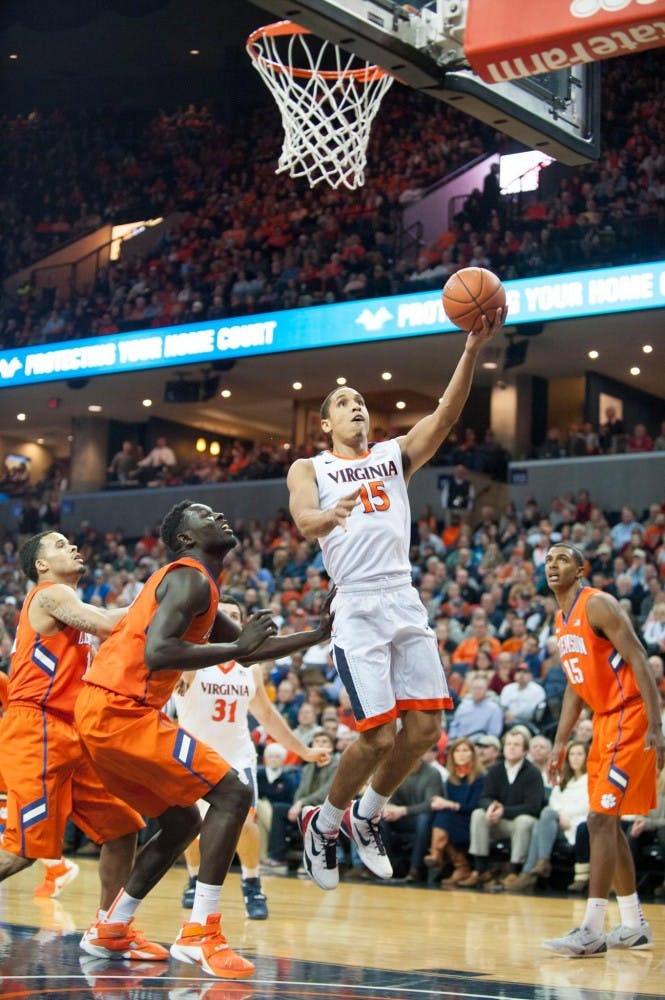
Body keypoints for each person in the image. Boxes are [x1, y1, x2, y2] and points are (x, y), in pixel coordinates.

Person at [286, 310, 504, 890]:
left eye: (360, 400)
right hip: (356, 604)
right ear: (326, 422)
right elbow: (303, 515)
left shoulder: (392, 456)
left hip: (402, 596)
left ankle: (364, 815)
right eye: (343, 402)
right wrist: (325, 516)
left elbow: (446, 415)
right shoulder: (311, 466)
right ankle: (324, 822)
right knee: (378, 733)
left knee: (428, 727)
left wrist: (471, 351)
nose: (356, 406)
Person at [74, 500, 323, 980]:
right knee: (234, 792)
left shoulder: (202, 585)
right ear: (186, 538)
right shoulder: (188, 576)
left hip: (109, 711)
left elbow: (254, 654)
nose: (221, 518)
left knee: (182, 821)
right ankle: (200, 933)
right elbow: (160, 650)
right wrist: (235, 647)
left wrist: (321, 632)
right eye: (207, 516)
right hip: (119, 708)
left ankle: (112, 926)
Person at [0, 531, 158, 956]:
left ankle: (111, 927)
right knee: (23, 853)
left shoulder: (71, 604)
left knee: (123, 828)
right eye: (58, 545)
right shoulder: (49, 596)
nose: (71, 547)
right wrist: (164, 595)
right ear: (41, 565)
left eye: (71, 542)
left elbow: (118, 644)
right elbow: (110, 624)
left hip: (76, 731)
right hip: (37, 730)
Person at [174, 592, 333, 919]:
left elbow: (268, 715)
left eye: (234, 615)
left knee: (245, 821)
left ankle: (252, 883)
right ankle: (193, 878)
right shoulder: (191, 658)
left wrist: (302, 750)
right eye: (223, 614)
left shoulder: (251, 668)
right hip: (193, 755)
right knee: (192, 825)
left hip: (237, 755)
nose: (228, 620)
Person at [541, 542, 665, 957]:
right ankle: (633, 925)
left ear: (581, 569)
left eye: (562, 559)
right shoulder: (561, 620)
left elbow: (640, 658)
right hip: (603, 723)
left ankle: (592, 928)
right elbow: (576, 690)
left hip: (629, 716)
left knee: (598, 820)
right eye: (548, 560)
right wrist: (559, 744)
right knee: (607, 824)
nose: (553, 565)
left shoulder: (599, 605)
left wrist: (656, 724)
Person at [457, 728, 544, 889]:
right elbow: (484, 797)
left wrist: (504, 811)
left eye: (517, 745)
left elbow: (534, 807)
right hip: (498, 821)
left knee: (524, 821)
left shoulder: (533, 773)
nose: (511, 747)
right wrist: (491, 808)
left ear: (525, 750)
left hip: (518, 824)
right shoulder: (495, 770)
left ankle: (513, 871)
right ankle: (480, 869)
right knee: (478, 814)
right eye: (509, 744)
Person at [508, 740, 589, 892]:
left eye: (579, 754)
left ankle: (529, 872)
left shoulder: (592, 780)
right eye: (572, 754)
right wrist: (559, 814)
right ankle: (541, 862)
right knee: (545, 817)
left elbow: (586, 806)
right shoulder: (563, 780)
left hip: (578, 826)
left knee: (543, 820)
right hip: (557, 824)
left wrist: (562, 814)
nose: (575, 758)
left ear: (587, 757)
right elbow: (553, 802)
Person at [425, 737, 485, 886]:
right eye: (457, 751)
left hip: (474, 821)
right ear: (451, 755)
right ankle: (460, 866)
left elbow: (475, 807)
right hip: (454, 820)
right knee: (441, 815)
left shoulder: (481, 778)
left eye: (465, 750)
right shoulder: (451, 779)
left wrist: (450, 804)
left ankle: (436, 854)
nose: (461, 754)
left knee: (444, 817)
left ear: (472, 754)